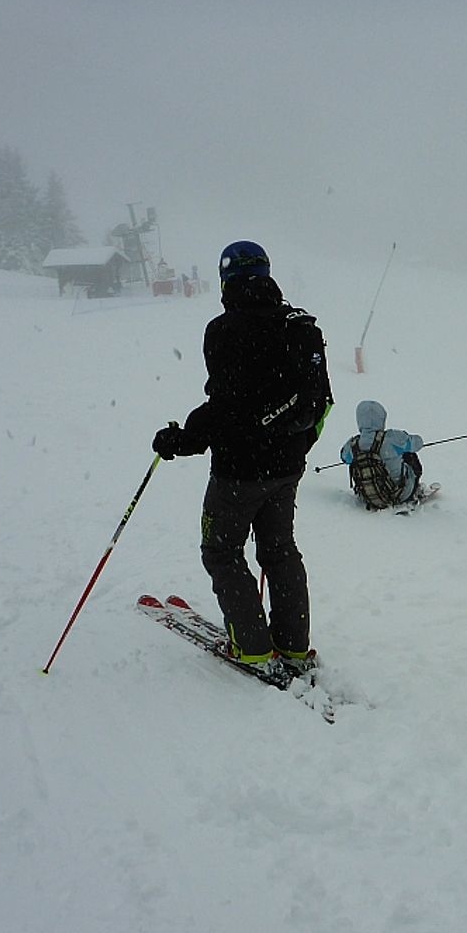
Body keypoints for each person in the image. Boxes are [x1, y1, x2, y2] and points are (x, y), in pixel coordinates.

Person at [152, 240, 332, 678]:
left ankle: (251, 647)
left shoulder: (224, 330)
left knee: (222, 551)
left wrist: (183, 439)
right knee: (280, 550)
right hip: (286, 467)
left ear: (225, 280)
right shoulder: (300, 327)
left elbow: (226, 406)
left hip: (238, 471)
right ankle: (292, 645)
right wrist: (295, 448)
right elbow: (321, 402)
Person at [340, 400, 425, 509]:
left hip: (369, 497)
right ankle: (413, 490)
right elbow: (418, 443)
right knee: (410, 455)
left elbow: (344, 458)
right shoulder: (393, 438)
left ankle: (375, 494)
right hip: (400, 494)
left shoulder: (353, 445)